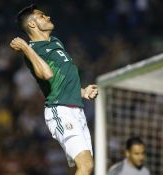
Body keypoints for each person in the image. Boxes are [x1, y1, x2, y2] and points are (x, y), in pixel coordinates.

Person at [9, 4, 98, 175]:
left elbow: (61, 80)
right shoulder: (33, 49)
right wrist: (26, 48)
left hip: (77, 110)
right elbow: (47, 74)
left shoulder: (56, 42)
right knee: (85, 165)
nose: (48, 17)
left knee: (88, 166)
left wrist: (83, 92)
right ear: (32, 24)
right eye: (42, 16)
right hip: (60, 109)